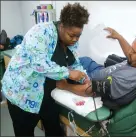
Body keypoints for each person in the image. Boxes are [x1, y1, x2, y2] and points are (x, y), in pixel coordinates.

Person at [1, 3, 90, 136]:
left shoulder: (71, 42)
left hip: (46, 92)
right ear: (62, 26)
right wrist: (69, 73)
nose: (75, 40)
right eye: (72, 35)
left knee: (54, 129)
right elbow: (39, 64)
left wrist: (84, 76)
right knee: (24, 132)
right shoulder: (40, 33)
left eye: (78, 36)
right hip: (21, 92)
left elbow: (74, 62)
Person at [56, 27, 136, 109]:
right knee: (83, 59)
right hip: (99, 70)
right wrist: (119, 37)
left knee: (61, 69)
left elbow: (89, 90)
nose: (129, 52)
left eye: (133, 51)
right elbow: (131, 54)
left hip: (89, 78)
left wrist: (65, 85)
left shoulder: (125, 81)